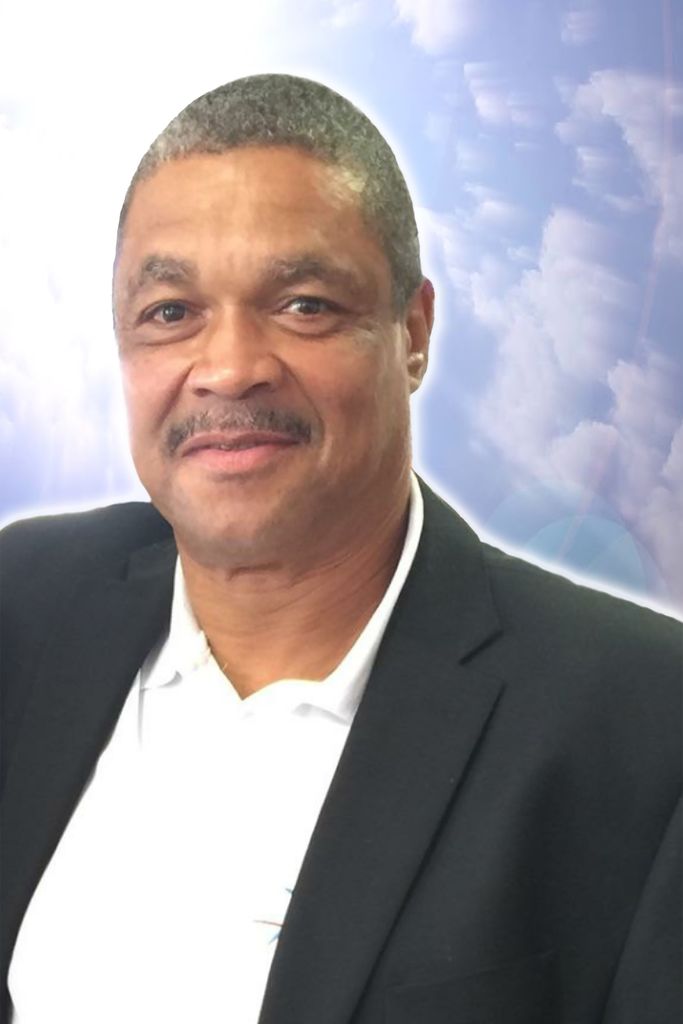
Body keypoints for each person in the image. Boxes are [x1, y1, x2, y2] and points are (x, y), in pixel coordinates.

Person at [0, 73, 680, 1024]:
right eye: (171, 312)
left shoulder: (644, 727)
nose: (228, 367)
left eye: (304, 304)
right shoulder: (26, 604)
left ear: (412, 333)